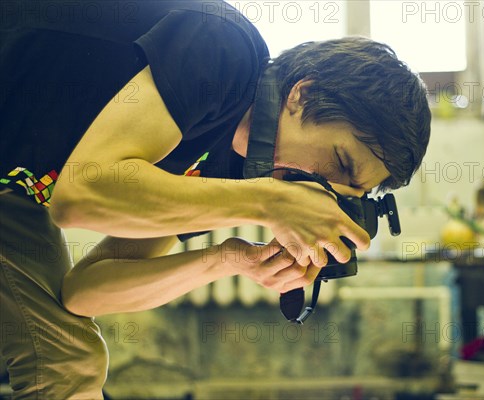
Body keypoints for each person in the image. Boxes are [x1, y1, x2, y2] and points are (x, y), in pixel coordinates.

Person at [0, 0, 431, 397]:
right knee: (67, 361)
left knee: (68, 357)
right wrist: (266, 201)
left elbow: (84, 293)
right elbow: (79, 198)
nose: (324, 191)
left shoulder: (234, 171)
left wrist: (225, 259)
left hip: (9, 186)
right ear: (302, 95)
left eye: (344, 192)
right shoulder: (223, 47)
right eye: (339, 161)